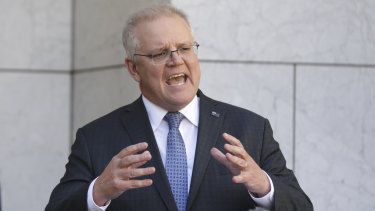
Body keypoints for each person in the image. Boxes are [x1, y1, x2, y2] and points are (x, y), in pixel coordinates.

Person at [46, 4, 312, 211]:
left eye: (185, 48)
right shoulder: (96, 138)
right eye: (160, 53)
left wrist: (264, 186)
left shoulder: (251, 129)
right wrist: (99, 191)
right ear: (133, 69)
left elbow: (301, 205)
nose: (176, 60)